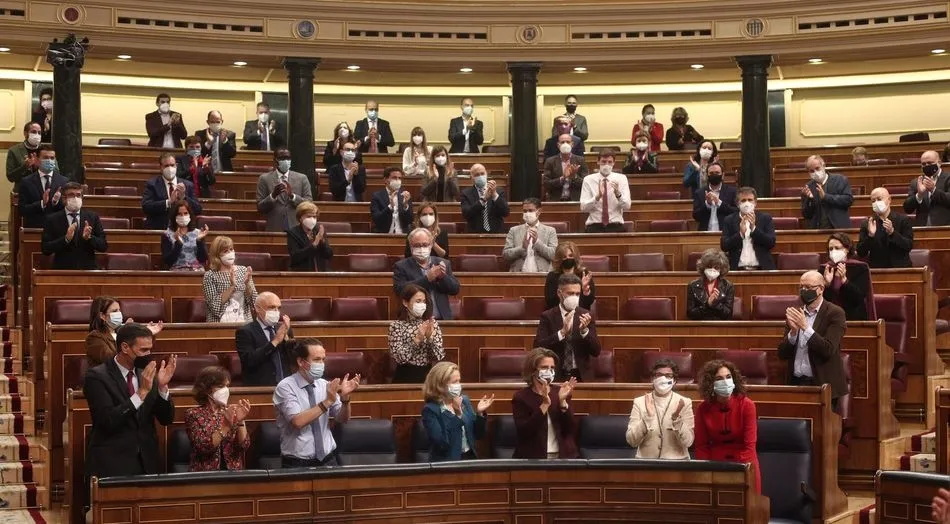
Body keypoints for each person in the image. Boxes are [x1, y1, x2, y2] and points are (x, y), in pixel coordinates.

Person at [83, 323, 176, 479]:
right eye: (143, 350)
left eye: (150, 349)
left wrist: (162, 387)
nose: (148, 355)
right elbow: (107, 420)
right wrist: (140, 394)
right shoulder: (97, 377)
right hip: (113, 464)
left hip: (147, 463)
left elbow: (166, 419)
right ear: (125, 347)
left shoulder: (146, 373)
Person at [273, 338, 360, 468]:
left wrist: (345, 399)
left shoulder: (325, 385)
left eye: (323, 359)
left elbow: (343, 419)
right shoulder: (285, 387)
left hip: (328, 459)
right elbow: (298, 422)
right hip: (297, 463)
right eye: (316, 360)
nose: (321, 364)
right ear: (301, 362)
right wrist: (328, 401)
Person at [777, 270, 849, 414]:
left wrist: (805, 327)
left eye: (809, 288)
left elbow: (828, 349)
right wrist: (793, 332)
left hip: (822, 384)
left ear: (821, 289)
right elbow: (782, 354)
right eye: (801, 287)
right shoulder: (797, 313)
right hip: (796, 383)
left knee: (820, 432)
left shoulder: (835, 313)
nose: (804, 291)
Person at [694, 359, 760, 493]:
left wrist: (738, 471)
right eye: (719, 378)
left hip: (745, 464)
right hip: (715, 465)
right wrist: (706, 472)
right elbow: (701, 446)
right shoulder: (703, 408)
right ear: (711, 384)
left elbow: (750, 445)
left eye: (728, 377)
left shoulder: (747, 405)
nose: (725, 381)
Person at [533, 273, 602, 382]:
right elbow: (538, 347)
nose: (574, 297)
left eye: (577, 294)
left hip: (581, 376)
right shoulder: (548, 316)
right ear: (559, 293)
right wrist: (561, 333)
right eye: (570, 293)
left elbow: (596, 351)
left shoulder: (586, 315)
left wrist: (585, 332)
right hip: (556, 376)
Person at [511, 348, 578, 459]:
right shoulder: (521, 397)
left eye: (552, 368)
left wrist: (562, 402)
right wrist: (544, 405)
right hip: (533, 458)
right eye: (544, 367)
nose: (549, 371)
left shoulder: (560, 392)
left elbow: (570, 429)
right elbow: (524, 431)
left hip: (562, 456)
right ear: (533, 370)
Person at [421, 361, 494, 461]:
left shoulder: (464, 401)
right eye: (454, 382)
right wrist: (457, 415)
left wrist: (479, 413)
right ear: (440, 385)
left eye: (459, 381)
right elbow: (442, 444)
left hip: (469, 459)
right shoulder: (431, 409)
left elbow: (478, 435)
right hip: (447, 464)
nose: (458, 385)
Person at [184, 366, 251, 471]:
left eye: (227, 386)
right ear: (206, 389)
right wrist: (227, 426)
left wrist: (240, 421)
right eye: (220, 386)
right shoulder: (194, 414)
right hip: (205, 477)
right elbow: (203, 446)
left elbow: (243, 446)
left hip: (233, 475)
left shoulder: (231, 411)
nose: (225, 390)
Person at [625, 358, 694, 459]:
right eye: (659, 375)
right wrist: (647, 418)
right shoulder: (639, 402)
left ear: (674, 381)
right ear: (653, 379)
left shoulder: (684, 402)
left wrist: (676, 420)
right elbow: (632, 441)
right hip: (647, 464)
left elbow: (688, 442)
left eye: (668, 376)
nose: (663, 379)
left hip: (677, 465)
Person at [393, 228, 460, 320]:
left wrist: (443, 277)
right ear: (411, 246)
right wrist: (427, 278)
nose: (421, 248)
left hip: (442, 320)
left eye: (425, 245)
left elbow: (455, 289)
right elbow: (400, 290)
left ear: (431, 245)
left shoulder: (442, 263)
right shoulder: (401, 266)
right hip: (414, 321)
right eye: (417, 245)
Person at [41, 182, 107, 270]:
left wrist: (89, 238)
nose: (75, 198)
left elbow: (103, 246)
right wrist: (66, 239)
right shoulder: (52, 219)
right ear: (64, 198)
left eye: (78, 195)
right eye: (71, 195)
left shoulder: (93, 217)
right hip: (62, 271)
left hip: (88, 270)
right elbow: (45, 249)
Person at [235, 291, 294, 386]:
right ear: (258, 308)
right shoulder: (245, 332)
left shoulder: (283, 328)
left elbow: (294, 358)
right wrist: (274, 342)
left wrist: (287, 339)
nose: (276, 312)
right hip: (260, 387)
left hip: (286, 386)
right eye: (271, 307)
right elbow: (249, 361)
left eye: (278, 308)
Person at [389, 284, 445, 383]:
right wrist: (417, 339)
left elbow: (438, 356)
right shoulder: (396, 326)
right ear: (405, 302)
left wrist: (430, 339)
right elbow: (400, 358)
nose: (422, 305)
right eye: (418, 301)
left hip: (427, 376)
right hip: (404, 376)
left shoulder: (431, 323)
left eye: (424, 301)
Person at [85, 296, 163, 366]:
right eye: (115, 311)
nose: (119, 313)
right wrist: (126, 333)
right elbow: (112, 360)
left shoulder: (118, 332)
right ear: (102, 316)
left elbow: (142, 352)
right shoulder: (94, 337)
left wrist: (146, 334)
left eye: (119, 310)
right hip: (107, 380)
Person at [256, 148, 313, 232]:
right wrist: (273, 196)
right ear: (275, 160)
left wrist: (292, 196)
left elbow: (309, 204)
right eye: (282, 158)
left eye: (288, 158)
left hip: (297, 227)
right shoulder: (264, 179)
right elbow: (260, 207)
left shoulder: (302, 178)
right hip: (274, 227)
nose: (286, 161)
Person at [202, 236, 258, 322]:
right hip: (220, 323)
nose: (230, 253)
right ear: (217, 255)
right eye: (225, 251)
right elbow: (214, 306)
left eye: (231, 249)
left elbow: (254, 302)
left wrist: (247, 285)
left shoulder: (243, 270)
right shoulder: (210, 276)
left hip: (244, 322)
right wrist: (232, 287)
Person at [142, 153, 203, 230]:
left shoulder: (188, 185)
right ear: (161, 167)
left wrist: (184, 197)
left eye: (172, 165)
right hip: (160, 229)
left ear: (176, 166)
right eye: (166, 166)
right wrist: (168, 202)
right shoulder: (152, 184)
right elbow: (146, 207)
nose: (170, 168)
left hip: (184, 230)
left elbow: (198, 209)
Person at [720, 187, 776, 270]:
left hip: (762, 269)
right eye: (743, 200)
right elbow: (724, 246)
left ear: (755, 202)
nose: (747, 203)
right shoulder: (729, 220)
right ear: (737, 204)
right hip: (737, 269)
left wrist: (754, 229)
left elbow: (771, 243)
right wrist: (740, 234)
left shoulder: (765, 218)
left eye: (750, 200)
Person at [822, 232, 874, 321]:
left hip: (853, 317)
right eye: (831, 249)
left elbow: (859, 298)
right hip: (830, 318)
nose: (833, 251)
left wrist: (845, 281)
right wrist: (827, 285)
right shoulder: (824, 268)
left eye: (837, 248)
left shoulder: (859, 267)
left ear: (847, 249)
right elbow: (822, 300)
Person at [858, 187, 914, 268]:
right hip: (877, 270)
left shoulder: (903, 220)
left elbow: (908, 246)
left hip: (900, 268)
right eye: (873, 201)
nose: (876, 203)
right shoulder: (867, 223)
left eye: (879, 199)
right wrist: (870, 236)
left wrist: (892, 233)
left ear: (889, 200)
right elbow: (861, 253)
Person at [580, 150, 631, 233]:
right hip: (594, 226)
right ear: (598, 162)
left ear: (614, 163)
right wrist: (597, 197)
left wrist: (618, 195)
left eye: (610, 162)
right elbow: (583, 208)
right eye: (603, 161)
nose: (606, 165)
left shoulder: (622, 179)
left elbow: (627, 206)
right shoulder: (588, 180)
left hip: (615, 226)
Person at [503, 198, 558, 272]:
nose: (527, 213)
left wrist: (538, 243)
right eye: (525, 211)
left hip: (542, 275)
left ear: (539, 211)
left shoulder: (550, 231)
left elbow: (554, 255)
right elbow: (506, 255)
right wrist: (522, 248)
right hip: (518, 275)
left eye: (530, 210)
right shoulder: (513, 230)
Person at [19, 144, 67, 228]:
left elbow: (67, 209)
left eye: (52, 158)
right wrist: (42, 203)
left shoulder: (64, 181)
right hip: (35, 228)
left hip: (57, 229)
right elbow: (22, 210)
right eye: (45, 158)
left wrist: (55, 202)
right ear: (37, 160)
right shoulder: (26, 182)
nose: (49, 160)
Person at [801, 155, 854, 229]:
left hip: (838, 228)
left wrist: (826, 197)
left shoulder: (840, 180)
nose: (815, 172)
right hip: (817, 230)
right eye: (812, 171)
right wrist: (810, 199)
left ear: (823, 165)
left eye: (817, 168)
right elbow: (806, 215)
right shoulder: (808, 187)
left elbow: (848, 200)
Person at [904, 150, 950, 226]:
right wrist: (919, 195)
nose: (927, 166)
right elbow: (907, 209)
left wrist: (934, 190)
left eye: (930, 163)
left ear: (939, 163)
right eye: (924, 164)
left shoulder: (948, 178)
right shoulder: (916, 182)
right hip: (923, 228)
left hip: (945, 227)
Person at [686, 248, 735, 321]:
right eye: (709, 267)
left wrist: (716, 304)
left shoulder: (728, 286)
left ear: (721, 269)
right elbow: (690, 314)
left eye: (716, 268)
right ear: (703, 267)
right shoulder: (692, 286)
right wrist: (707, 304)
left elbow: (728, 314)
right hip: (699, 326)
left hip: (721, 327)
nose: (712, 270)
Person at [544, 241, 595, 310]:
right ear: (559, 259)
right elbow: (550, 301)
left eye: (570, 256)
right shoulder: (552, 276)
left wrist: (585, 291)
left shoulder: (584, 274)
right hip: (559, 315)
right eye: (564, 257)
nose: (567, 258)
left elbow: (589, 302)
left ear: (575, 257)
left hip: (580, 314)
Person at [161, 200, 209, 271]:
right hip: (177, 272)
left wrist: (199, 241)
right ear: (174, 216)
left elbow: (203, 259)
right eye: (179, 214)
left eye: (185, 213)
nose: (183, 216)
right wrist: (178, 244)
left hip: (197, 271)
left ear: (190, 215)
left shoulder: (198, 233)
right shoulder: (167, 235)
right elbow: (168, 262)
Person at [460, 164, 509, 233]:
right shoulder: (466, 193)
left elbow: (506, 212)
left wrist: (494, 195)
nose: (480, 176)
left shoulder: (499, 191)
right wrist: (483, 200)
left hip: (496, 234)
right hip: (475, 235)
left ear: (486, 174)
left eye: (482, 173)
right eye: (477, 175)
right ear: (471, 177)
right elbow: (466, 214)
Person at [286, 201, 333, 272]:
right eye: (309, 216)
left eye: (314, 216)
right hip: (302, 273)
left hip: (321, 272)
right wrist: (314, 244)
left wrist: (322, 241)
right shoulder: (293, 233)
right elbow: (295, 257)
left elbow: (329, 255)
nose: (312, 219)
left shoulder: (318, 230)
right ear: (300, 218)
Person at [692, 162, 737, 232]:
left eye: (717, 173)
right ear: (707, 175)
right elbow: (696, 216)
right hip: (705, 233)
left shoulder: (732, 191)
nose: (714, 175)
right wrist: (707, 204)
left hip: (726, 233)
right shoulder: (699, 192)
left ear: (723, 175)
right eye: (711, 173)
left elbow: (736, 212)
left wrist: (719, 203)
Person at [543, 134, 588, 201]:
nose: (565, 144)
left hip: (575, 200)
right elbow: (546, 184)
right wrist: (562, 178)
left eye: (568, 142)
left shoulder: (580, 160)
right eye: (562, 142)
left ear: (572, 144)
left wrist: (574, 176)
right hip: (556, 200)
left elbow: (586, 184)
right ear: (558, 145)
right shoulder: (550, 161)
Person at [370, 167, 413, 233]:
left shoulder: (405, 195)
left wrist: (405, 206)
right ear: (385, 180)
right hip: (384, 235)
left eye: (399, 178)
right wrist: (390, 206)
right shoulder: (377, 196)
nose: (397, 180)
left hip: (402, 235)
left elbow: (409, 220)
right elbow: (377, 220)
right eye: (394, 178)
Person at [6, 122, 43, 192]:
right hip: (22, 193)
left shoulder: (46, 150)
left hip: (42, 192)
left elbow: (56, 172)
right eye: (34, 132)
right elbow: (10, 177)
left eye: (39, 133)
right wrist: (25, 167)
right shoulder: (14, 151)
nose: (37, 135)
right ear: (25, 133)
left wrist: (40, 167)